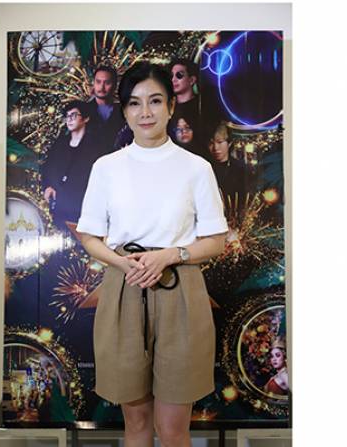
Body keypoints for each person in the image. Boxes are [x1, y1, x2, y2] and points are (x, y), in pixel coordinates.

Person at [76, 61, 228, 447]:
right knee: (137, 423)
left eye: (155, 101)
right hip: (124, 286)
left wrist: (170, 255)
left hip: (181, 291)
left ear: (171, 106)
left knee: (174, 428)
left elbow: (216, 241)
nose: (145, 112)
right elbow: (89, 236)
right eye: (135, 103)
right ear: (125, 110)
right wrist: (121, 262)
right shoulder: (106, 167)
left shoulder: (196, 168)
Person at [41, 100, 102, 230]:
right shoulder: (60, 144)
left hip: (84, 208)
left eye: (73, 115)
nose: (69, 119)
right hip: (60, 207)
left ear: (85, 118)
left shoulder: (95, 146)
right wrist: (48, 186)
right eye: (67, 116)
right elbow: (47, 167)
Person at [207, 121, 251, 211]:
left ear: (229, 143)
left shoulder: (241, 169)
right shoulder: (204, 168)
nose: (215, 148)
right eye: (211, 143)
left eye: (220, 142)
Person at [85, 65, 129, 150]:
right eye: (98, 82)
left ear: (115, 85)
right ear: (93, 84)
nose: (102, 87)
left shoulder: (123, 112)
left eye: (107, 83)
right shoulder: (83, 110)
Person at [168, 58, 203, 157]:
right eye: (171, 76)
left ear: (192, 80)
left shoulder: (202, 106)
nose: (174, 79)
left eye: (179, 75)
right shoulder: (167, 107)